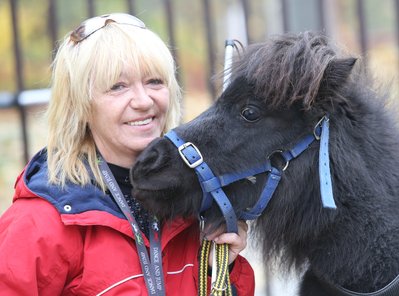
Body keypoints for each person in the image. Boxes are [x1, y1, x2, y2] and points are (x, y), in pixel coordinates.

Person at [0, 13, 254, 295]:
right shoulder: (39, 222)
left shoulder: (195, 205)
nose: (144, 101)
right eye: (118, 86)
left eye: (155, 81)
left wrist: (217, 271)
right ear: (80, 105)